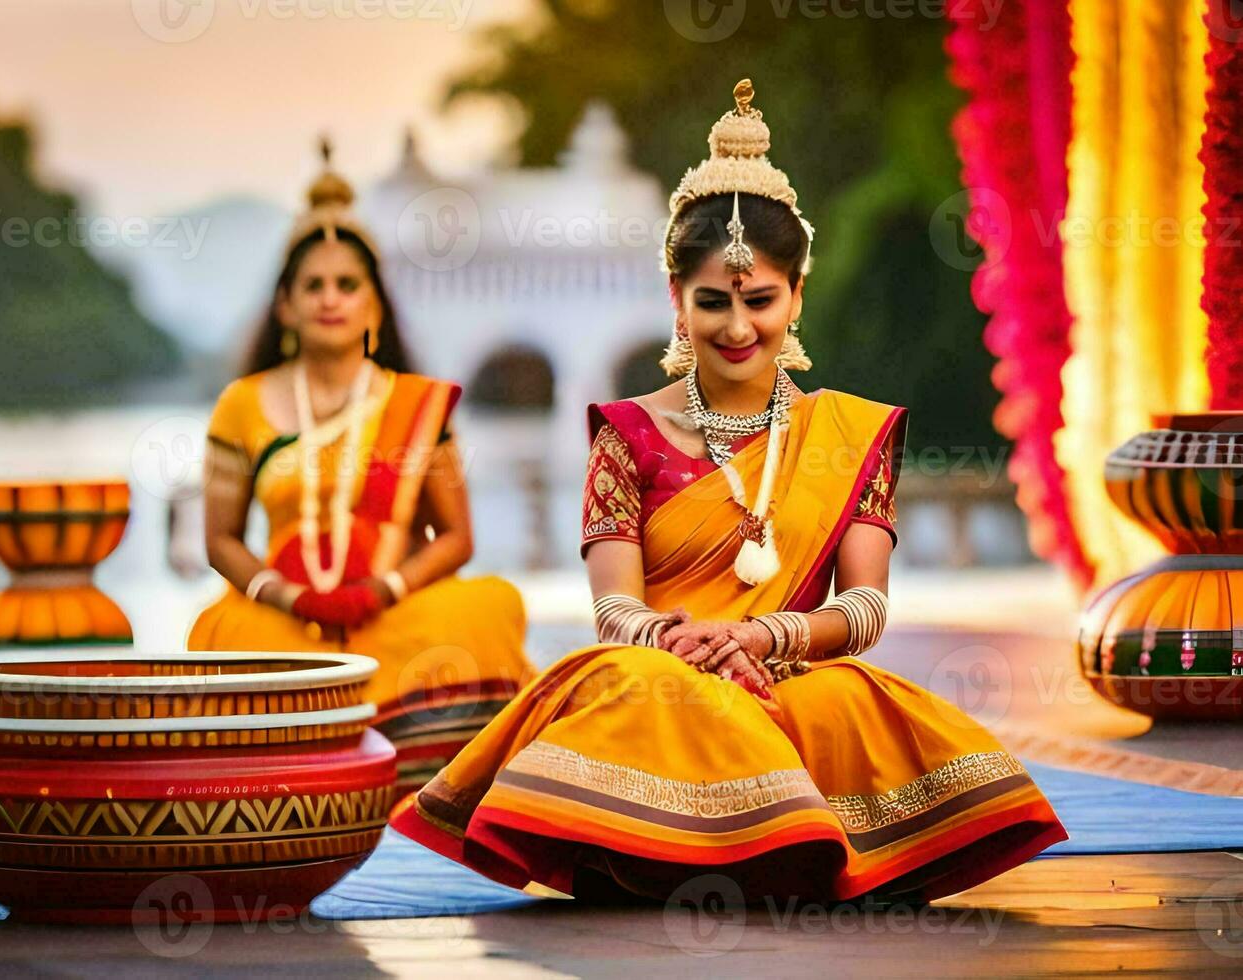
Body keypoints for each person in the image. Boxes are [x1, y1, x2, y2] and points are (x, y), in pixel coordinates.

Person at [390, 79, 1067, 904]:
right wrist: (688, 643)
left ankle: (739, 847)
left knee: (846, 701)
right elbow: (615, 611)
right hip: (663, 668)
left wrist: (764, 641)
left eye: (760, 300)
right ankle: (706, 845)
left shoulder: (846, 432)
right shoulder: (626, 433)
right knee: (634, 687)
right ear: (677, 303)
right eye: (713, 301)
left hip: (790, 672)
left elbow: (865, 609)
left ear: (797, 297)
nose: (738, 327)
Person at [187, 142, 534, 799]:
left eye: (348, 284)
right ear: (284, 306)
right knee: (224, 631)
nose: (330, 299)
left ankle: (426, 781)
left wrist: (384, 590)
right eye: (312, 286)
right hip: (286, 615)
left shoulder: (416, 403)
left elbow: (458, 539)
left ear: (374, 303)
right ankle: (299, 780)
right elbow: (220, 540)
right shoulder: (243, 403)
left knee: (487, 608)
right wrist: (285, 596)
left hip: (392, 609)